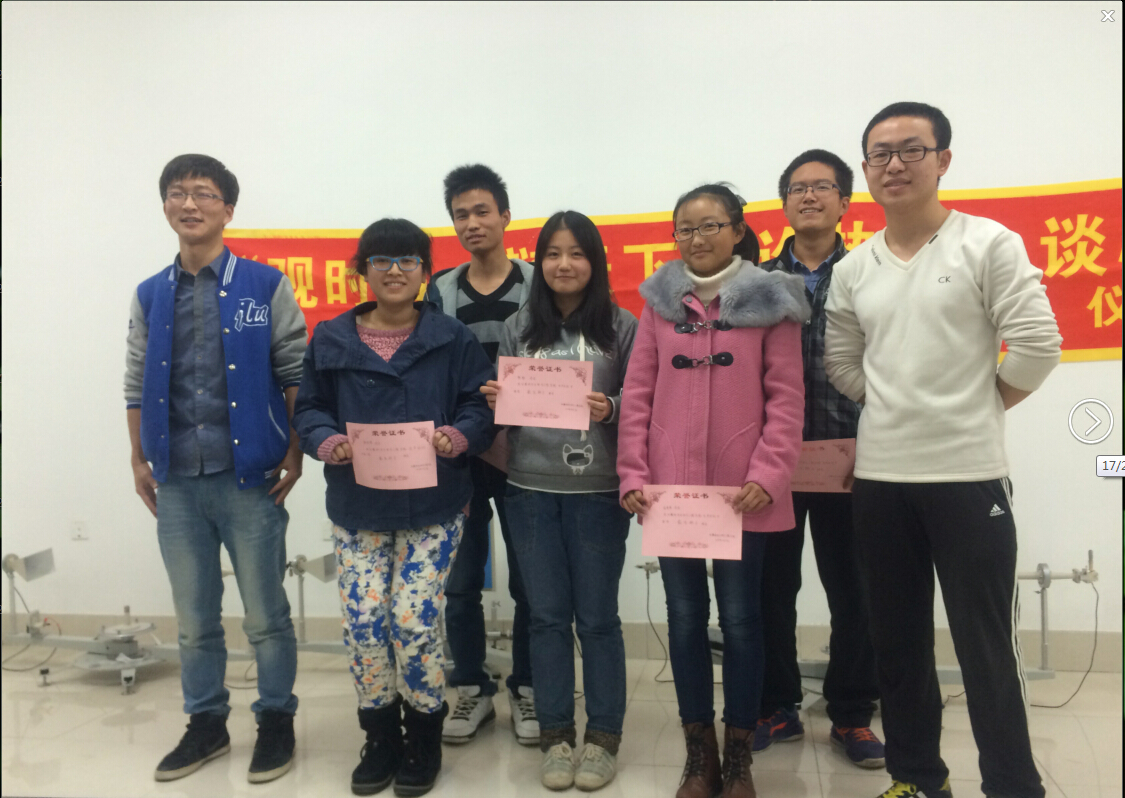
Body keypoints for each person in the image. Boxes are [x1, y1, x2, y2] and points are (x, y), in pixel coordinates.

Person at [824, 102, 1062, 798]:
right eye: (880, 154)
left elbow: (1038, 346)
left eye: (911, 149)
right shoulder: (854, 267)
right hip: (880, 481)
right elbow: (841, 362)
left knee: (985, 647)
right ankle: (917, 779)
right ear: (866, 169)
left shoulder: (986, 243)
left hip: (967, 477)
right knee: (897, 644)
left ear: (943, 160)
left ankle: (1012, 785)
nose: (894, 164)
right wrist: (895, 406)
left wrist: (976, 406)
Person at [617, 184, 808, 798]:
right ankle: (698, 753)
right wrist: (632, 473)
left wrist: (768, 475)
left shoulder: (771, 300)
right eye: (685, 228)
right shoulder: (660, 303)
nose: (696, 238)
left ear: (737, 230)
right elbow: (638, 393)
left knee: (744, 620)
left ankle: (739, 756)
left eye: (710, 226)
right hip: (671, 493)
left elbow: (787, 400)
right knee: (684, 617)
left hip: (743, 492)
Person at [293, 218, 494, 797]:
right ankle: (379, 735)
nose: (395, 271)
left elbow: (478, 405)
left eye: (408, 260)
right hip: (358, 506)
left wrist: (458, 436)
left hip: (434, 505)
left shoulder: (451, 337)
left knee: (412, 620)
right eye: (381, 261)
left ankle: (424, 735)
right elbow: (309, 409)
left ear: (426, 272)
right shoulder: (331, 338)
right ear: (363, 271)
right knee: (363, 623)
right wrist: (327, 441)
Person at [124, 154, 305, 784]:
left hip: (250, 478)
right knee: (195, 620)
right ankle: (205, 724)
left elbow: (294, 370)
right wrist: (137, 457)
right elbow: (134, 380)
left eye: (203, 193)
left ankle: (276, 720)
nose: (189, 204)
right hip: (176, 481)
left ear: (228, 209)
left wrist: (295, 449)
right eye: (177, 193)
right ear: (165, 207)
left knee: (265, 616)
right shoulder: (150, 293)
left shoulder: (265, 285)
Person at [481, 211, 638, 791]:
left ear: (595, 262)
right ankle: (555, 736)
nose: (563, 264)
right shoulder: (519, 326)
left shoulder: (621, 326)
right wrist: (498, 399)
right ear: (539, 261)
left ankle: (603, 737)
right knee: (546, 618)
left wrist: (611, 407)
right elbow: (506, 413)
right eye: (552, 254)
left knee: (597, 620)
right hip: (528, 491)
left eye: (576, 253)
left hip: (598, 493)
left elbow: (644, 400)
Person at [755, 150, 884, 768]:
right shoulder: (754, 281)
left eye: (822, 187)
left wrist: (877, 449)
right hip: (771, 464)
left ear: (845, 202)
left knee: (856, 593)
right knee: (770, 590)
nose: (809, 196)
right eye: (797, 188)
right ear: (783, 203)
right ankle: (777, 705)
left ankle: (852, 713)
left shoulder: (871, 272)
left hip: (850, 459)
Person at [424, 164, 538, 746]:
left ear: (505, 216)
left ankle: (528, 687)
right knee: (460, 582)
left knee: (531, 582)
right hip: (461, 457)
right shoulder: (440, 290)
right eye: (460, 215)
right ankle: (470, 687)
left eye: (482, 211)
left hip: (527, 455)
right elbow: (432, 370)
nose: (472, 223)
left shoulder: (540, 283)